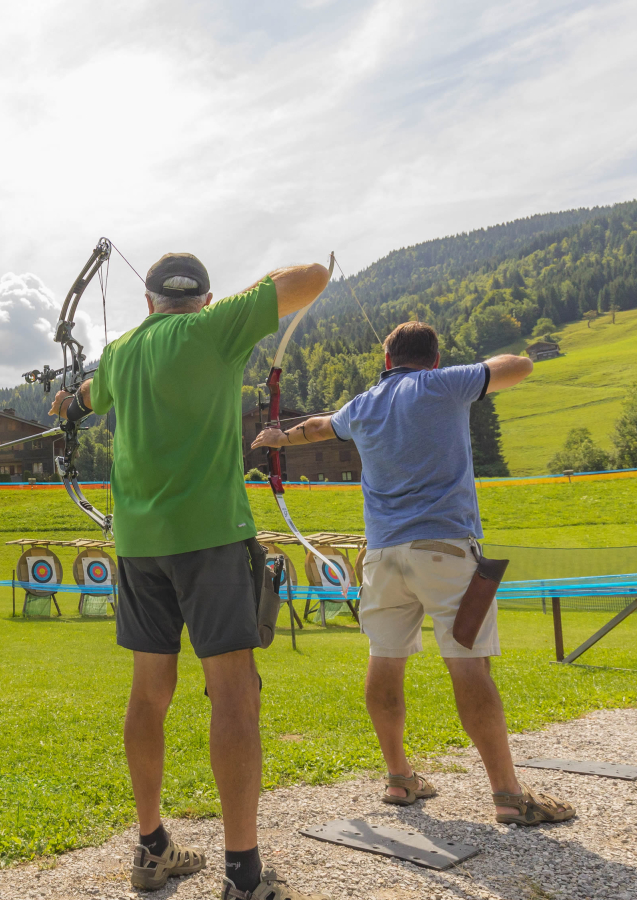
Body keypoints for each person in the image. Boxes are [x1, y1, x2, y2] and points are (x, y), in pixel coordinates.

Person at [51, 252, 331, 900]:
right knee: (234, 693)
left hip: (139, 545)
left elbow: (84, 399)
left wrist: (69, 402)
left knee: (149, 694)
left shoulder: (121, 353)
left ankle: (151, 850)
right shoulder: (216, 326)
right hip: (210, 538)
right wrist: (238, 306)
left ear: (148, 303)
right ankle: (243, 876)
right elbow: (314, 274)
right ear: (204, 300)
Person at [250, 321, 576, 828]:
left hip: (382, 557)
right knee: (469, 665)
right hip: (444, 551)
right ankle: (509, 794)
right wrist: (474, 372)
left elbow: (316, 427)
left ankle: (399, 777)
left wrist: (277, 437)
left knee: (385, 657)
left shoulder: (362, 404)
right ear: (434, 357)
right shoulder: (442, 383)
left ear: (386, 359)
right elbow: (521, 366)